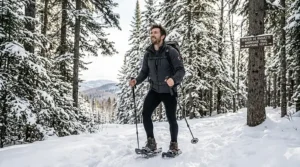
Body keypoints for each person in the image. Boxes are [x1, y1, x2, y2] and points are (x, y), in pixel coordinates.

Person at [129, 24, 185, 153]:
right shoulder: (148, 54)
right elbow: (144, 72)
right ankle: (151, 143)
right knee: (146, 113)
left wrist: (173, 79)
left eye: (155, 32)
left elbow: (181, 70)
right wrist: (136, 81)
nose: (152, 34)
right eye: (151, 32)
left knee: (171, 118)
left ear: (163, 36)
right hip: (154, 90)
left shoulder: (171, 51)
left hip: (168, 91)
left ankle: (174, 145)